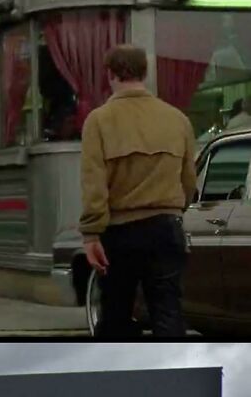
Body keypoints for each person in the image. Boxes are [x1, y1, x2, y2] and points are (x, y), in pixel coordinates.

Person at [79, 44, 197, 339]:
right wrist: (173, 210)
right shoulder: (177, 120)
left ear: (110, 74)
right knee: (168, 312)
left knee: (116, 313)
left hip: (120, 233)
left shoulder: (99, 121)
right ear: (145, 73)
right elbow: (188, 182)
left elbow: (94, 184)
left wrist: (92, 234)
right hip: (166, 228)